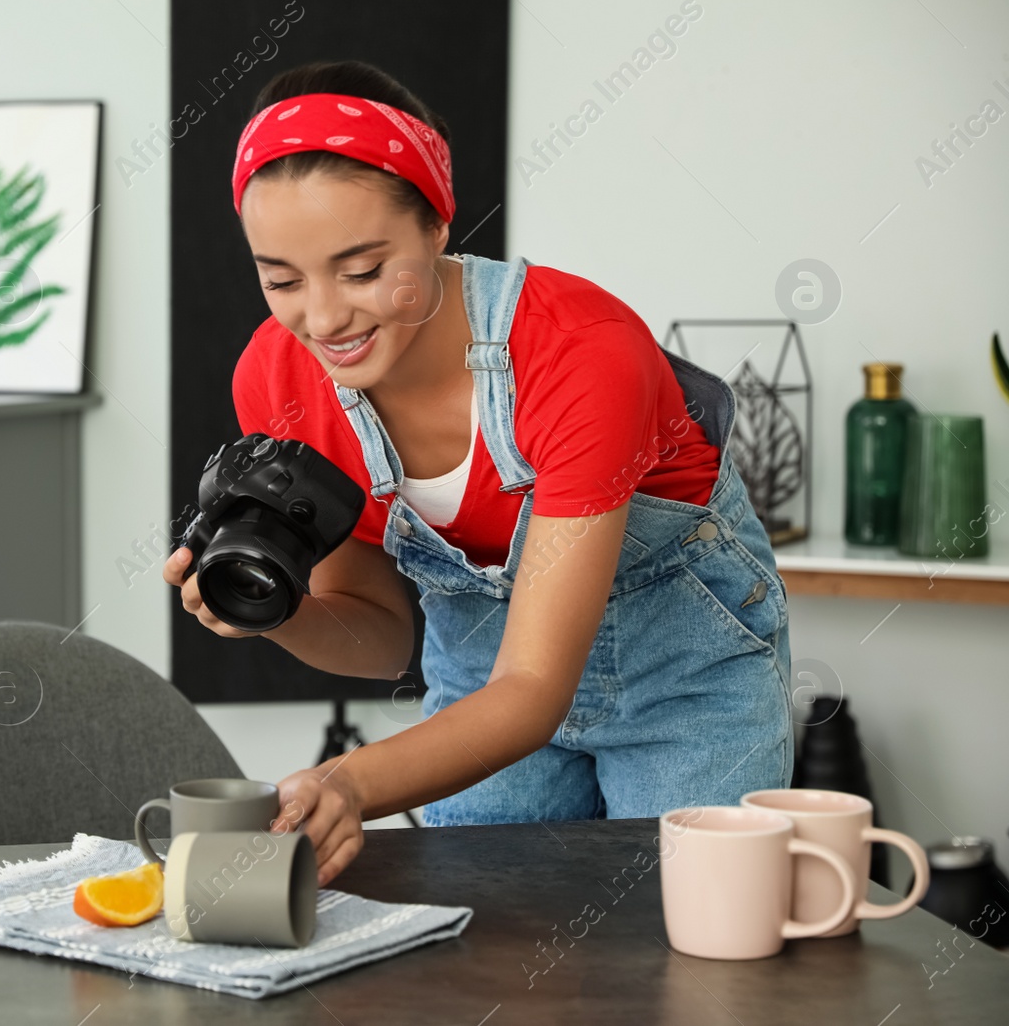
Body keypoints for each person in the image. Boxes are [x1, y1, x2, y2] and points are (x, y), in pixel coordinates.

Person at [163, 61, 793, 886]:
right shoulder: (277, 380)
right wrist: (270, 614)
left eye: (360, 270)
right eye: (280, 278)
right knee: (493, 964)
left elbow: (534, 685)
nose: (321, 317)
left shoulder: (582, 352)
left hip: (682, 679)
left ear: (435, 225)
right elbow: (384, 632)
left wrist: (352, 781)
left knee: (692, 950)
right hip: (476, 691)